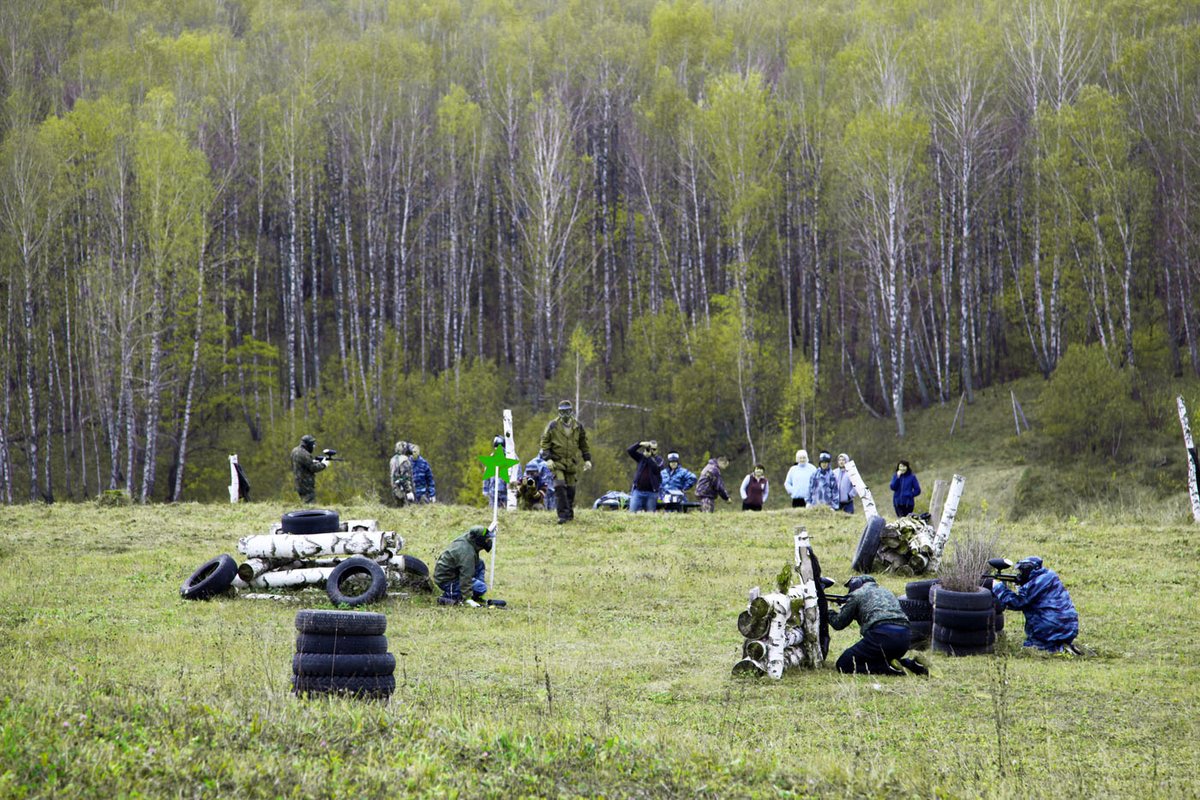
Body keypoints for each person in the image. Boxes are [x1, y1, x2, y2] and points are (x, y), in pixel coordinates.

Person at [828, 576, 926, 675]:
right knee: (876, 659)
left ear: (856, 584)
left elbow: (838, 623)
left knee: (843, 664)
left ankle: (891, 670)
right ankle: (909, 664)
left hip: (881, 635)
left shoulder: (857, 594)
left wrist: (827, 611)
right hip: (905, 638)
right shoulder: (887, 592)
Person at [991, 557, 1080, 653]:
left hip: (1051, 628)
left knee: (1031, 648)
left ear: (1029, 570)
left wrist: (997, 587)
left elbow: (1018, 603)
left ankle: (1053, 647)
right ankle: (1062, 646)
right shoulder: (1048, 577)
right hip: (1068, 628)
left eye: (1022, 571)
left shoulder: (1037, 582)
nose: (1020, 574)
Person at [539, 400, 592, 524]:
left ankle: (569, 514)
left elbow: (584, 444)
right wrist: (548, 458)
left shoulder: (578, 427)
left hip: (571, 464)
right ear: (559, 412)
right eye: (562, 412)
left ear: (571, 411)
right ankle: (562, 516)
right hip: (557, 463)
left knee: (571, 490)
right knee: (560, 485)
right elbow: (544, 443)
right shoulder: (552, 426)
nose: (565, 414)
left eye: (567, 411)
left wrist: (587, 459)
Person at [433, 524, 502, 606]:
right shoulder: (467, 553)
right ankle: (451, 596)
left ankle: (476, 596)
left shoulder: (470, 538)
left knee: (480, 564)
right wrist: (468, 599)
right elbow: (466, 577)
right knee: (481, 587)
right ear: (479, 540)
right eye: (487, 539)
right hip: (446, 580)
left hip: (454, 572)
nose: (488, 541)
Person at [627, 440, 664, 512]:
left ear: (657, 450)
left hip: (652, 493)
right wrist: (640, 444)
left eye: (654, 449)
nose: (651, 451)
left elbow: (656, 470)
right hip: (638, 491)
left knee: (650, 516)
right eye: (650, 448)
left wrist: (649, 458)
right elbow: (630, 451)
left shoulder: (659, 460)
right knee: (631, 513)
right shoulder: (641, 457)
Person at [291, 434, 327, 503]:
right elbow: (313, 468)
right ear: (308, 444)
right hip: (306, 484)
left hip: (298, 482)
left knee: (304, 502)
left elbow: (301, 464)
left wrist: (312, 461)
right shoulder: (304, 454)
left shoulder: (295, 451)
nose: (313, 446)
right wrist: (324, 464)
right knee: (310, 506)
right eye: (312, 444)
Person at [482, 435, 510, 507]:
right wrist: (485, 489)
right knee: (493, 511)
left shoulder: (510, 457)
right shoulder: (491, 458)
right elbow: (486, 475)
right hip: (493, 492)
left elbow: (517, 473)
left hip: (507, 492)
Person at [389, 441, 415, 506]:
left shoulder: (392, 459)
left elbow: (393, 476)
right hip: (403, 490)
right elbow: (405, 477)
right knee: (407, 511)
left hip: (395, 488)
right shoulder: (404, 460)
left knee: (399, 509)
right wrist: (409, 491)